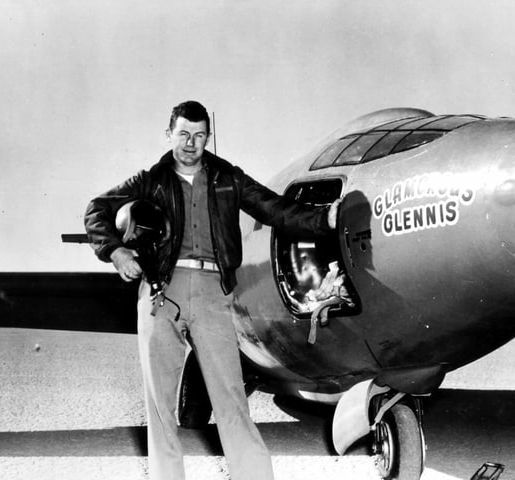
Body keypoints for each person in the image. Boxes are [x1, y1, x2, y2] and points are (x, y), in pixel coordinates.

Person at [84, 100, 339, 480]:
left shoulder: (228, 177)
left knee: (231, 400)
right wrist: (116, 250)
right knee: (159, 406)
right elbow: (96, 210)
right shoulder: (150, 180)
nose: (191, 143)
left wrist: (325, 219)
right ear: (169, 134)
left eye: (200, 136)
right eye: (183, 134)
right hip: (160, 293)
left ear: (208, 137)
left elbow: (276, 210)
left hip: (212, 293)